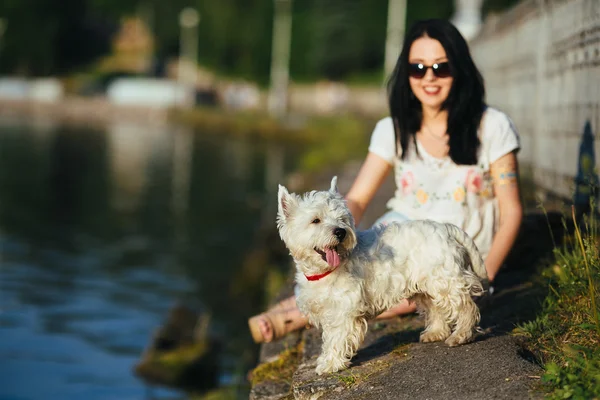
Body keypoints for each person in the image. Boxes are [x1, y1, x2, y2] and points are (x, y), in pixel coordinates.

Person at [248, 18, 523, 344]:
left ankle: (289, 316)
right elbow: (359, 199)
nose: (429, 77)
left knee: (379, 298)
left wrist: (486, 276)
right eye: (418, 68)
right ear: (406, 74)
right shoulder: (392, 129)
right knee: (340, 275)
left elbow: (512, 212)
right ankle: (294, 306)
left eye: (441, 67)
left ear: (460, 68)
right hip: (399, 233)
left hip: (459, 238)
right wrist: (337, 232)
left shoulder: (492, 126)